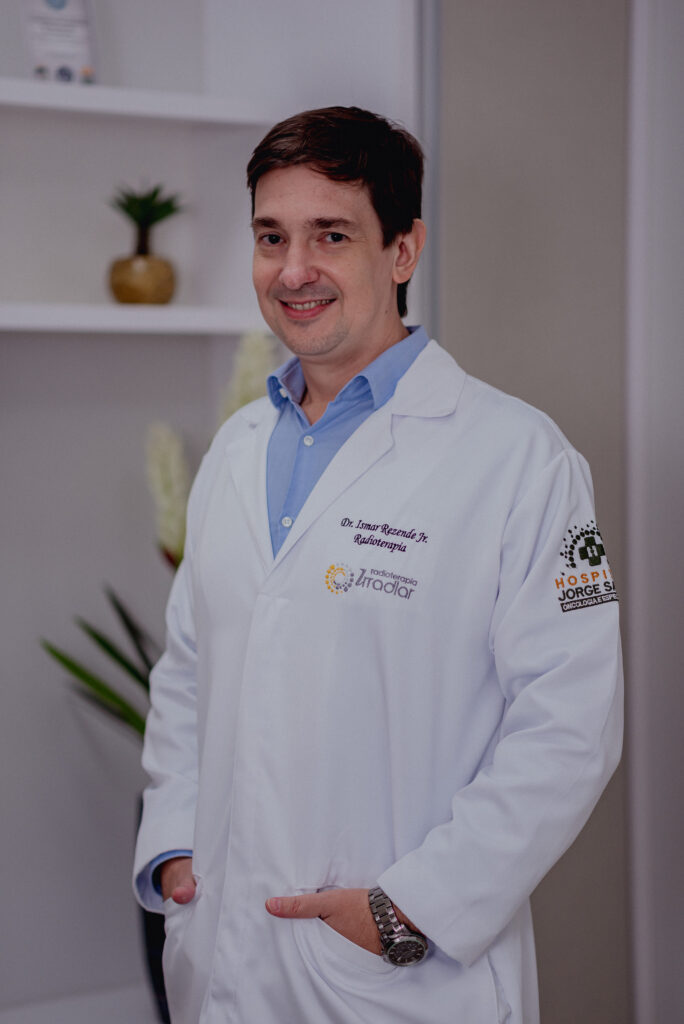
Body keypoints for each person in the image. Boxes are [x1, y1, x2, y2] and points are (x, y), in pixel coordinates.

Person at [134, 106, 623, 1024]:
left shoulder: (521, 459)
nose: (293, 271)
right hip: (226, 956)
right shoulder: (237, 448)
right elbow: (190, 673)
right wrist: (174, 848)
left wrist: (412, 911)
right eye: (271, 237)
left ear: (403, 250)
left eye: (331, 235)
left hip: (399, 972)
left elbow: (570, 725)